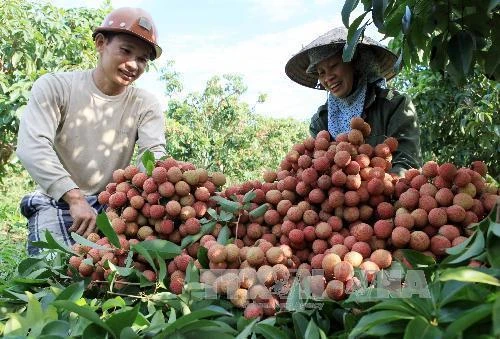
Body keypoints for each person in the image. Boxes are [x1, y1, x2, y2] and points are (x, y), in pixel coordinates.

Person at [16, 7, 166, 255]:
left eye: (142, 59)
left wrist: (168, 181)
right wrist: (75, 198)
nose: (133, 65)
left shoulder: (145, 104)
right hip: (58, 198)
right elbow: (32, 147)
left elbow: (152, 155)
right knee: (52, 271)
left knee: (126, 264)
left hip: (113, 202)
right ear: (100, 43)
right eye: (126, 51)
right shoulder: (56, 87)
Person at [285, 27, 422, 176]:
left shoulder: (395, 105)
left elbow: (407, 165)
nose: (328, 77)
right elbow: (316, 171)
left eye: (333, 66)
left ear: (355, 64)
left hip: (388, 195)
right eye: (321, 72)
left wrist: (381, 187)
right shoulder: (321, 120)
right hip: (337, 196)